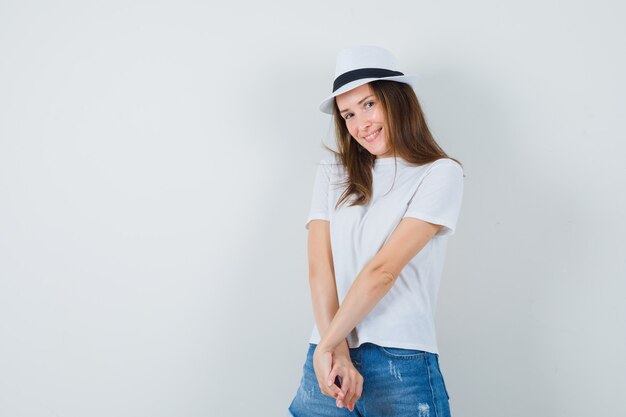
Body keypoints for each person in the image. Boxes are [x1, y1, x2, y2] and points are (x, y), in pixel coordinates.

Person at [288, 46, 464, 417]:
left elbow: (383, 270)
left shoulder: (439, 173)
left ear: (397, 99)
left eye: (368, 105)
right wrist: (332, 349)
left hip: (399, 357)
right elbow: (321, 268)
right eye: (348, 114)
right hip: (327, 357)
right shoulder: (332, 171)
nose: (360, 123)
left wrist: (328, 343)